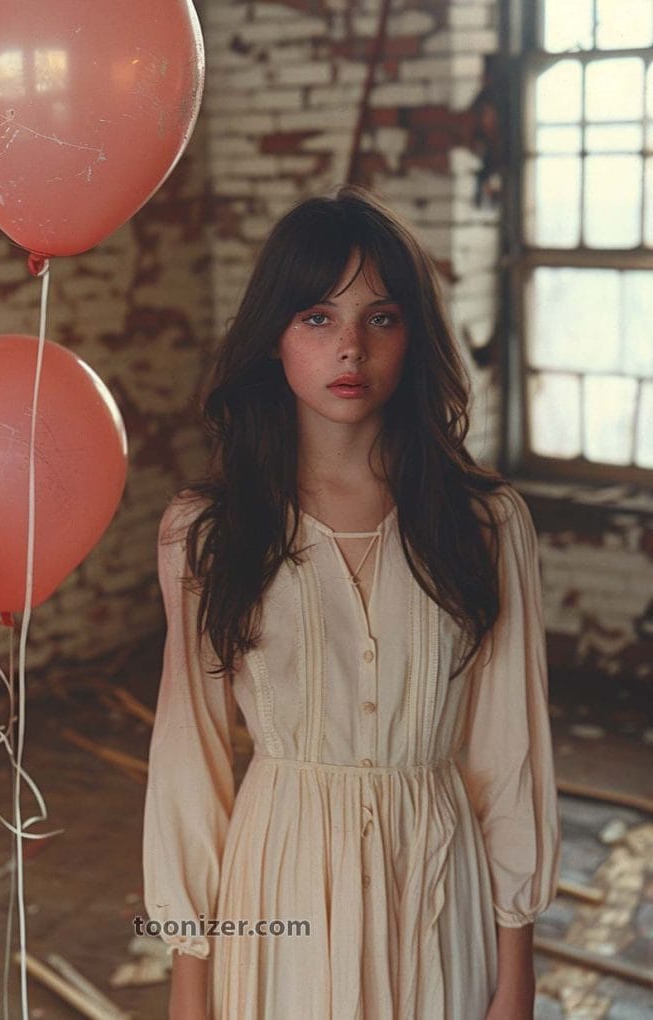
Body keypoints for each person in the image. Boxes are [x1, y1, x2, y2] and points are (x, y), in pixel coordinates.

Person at [142, 185, 560, 1019]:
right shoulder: (210, 531)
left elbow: (509, 754)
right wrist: (190, 987)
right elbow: (188, 766)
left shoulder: (484, 522)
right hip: (279, 889)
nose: (350, 351)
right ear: (273, 339)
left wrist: (516, 973)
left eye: (381, 318)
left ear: (413, 335)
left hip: (439, 887)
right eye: (317, 318)